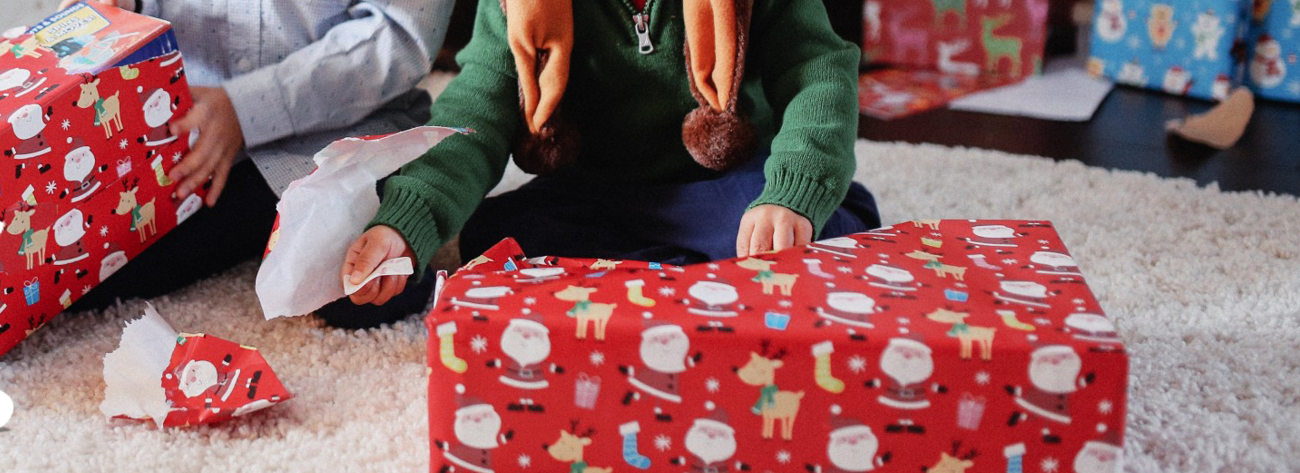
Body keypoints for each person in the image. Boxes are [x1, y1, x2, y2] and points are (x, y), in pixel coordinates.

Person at [328, 0, 881, 326]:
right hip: (596, 191)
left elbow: (818, 71)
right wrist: (411, 217)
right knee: (497, 237)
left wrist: (793, 191)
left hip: (729, 187)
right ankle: (684, 280)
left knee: (816, 228)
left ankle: (672, 273)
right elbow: (476, 111)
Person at [59, 0, 453, 312]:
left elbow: (399, 39)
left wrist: (246, 108)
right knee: (80, 274)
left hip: (344, 129)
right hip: (194, 122)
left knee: (362, 293)